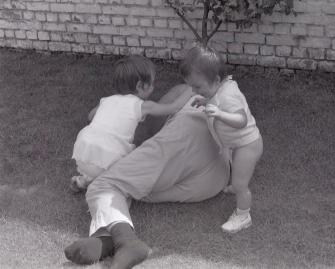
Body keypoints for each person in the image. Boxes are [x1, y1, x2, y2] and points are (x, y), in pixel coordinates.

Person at [64, 84, 230, 269]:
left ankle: (128, 243)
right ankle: (105, 240)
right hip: (215, 178)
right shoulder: (224, 97)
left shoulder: (184, 90)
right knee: (129, 187)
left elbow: (152, 127)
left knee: (103, 186)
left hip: (185, 138)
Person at [70, 55, 193, 192]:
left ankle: (85, 179)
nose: (153, 87)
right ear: (140, 86)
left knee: (102, 163)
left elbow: (90, 116)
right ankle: (109, 186)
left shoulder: (106, 100)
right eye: (151, 84)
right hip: (110, 157)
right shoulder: (141, 105)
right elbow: (173, 107)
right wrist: (192, 88)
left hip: (84, 152)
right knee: (137, 159)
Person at [180, 46, 263, 233]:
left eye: (198, 87)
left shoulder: (229, 95)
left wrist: (219, 114)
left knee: (242, 184)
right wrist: (206, 101)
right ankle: (236, 183)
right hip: (237, 144)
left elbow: (241, 120)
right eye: (192, 87)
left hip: (247, 145)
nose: (194, 91)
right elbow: (215, 98)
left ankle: (243, 216)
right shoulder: (219, 89)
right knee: (237, 173)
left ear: (217, 80)